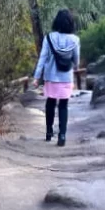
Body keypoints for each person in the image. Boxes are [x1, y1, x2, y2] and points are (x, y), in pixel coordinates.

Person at [33, 9, 80, 146]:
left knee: (50, 103)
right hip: (66, 76)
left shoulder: (49, 37)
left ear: (57, 22)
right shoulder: (75, 40)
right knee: (64, 106)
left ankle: (48, 132)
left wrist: (37, 77)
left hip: (51, 76)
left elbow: (42, 58)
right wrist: (75, 68)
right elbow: (76, 60)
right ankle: (62, 136)